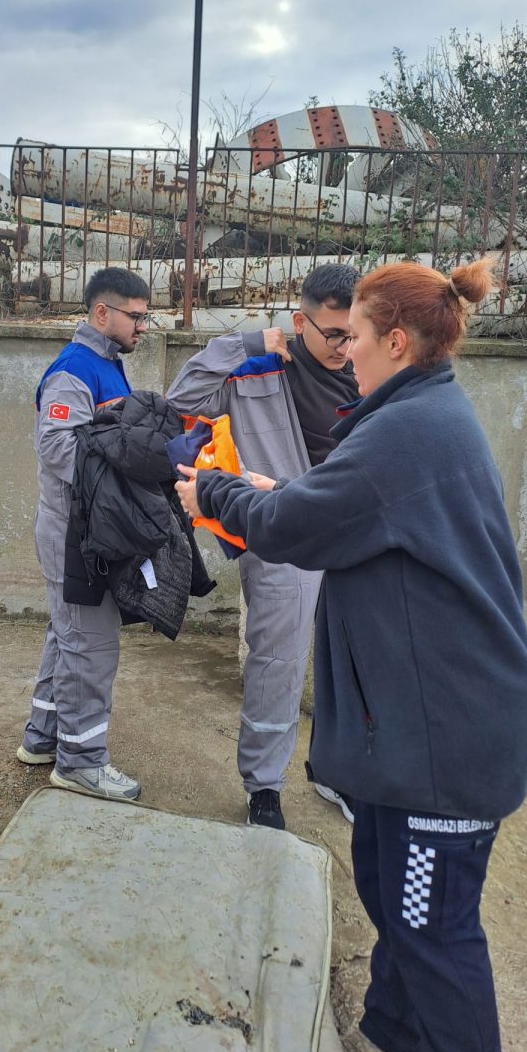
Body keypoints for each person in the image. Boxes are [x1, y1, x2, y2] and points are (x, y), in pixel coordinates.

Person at [175, 258, 527, 1052]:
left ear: (398, 342)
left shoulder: (407, 432)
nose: (345, 352)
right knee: (389, 892)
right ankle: (392, 1035)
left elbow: (293, 529)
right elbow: (333, 508)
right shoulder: (416, 415)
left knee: (432, 933)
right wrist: (275, 493)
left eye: (356, 337)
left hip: (448, 738)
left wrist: (215, 493)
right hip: (419, 727)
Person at [165, 263, 360, 827]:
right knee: (277, 663)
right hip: (282, 537)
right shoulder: (256, 371)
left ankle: (336, 771)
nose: (345, 347)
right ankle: (264, 787)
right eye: (333, 334)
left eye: (354, 334)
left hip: (352, 534)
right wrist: (244, 343)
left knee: (354, 663)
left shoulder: (367, 369)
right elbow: (181, 397)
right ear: (300, 323)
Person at [18, 267, 152, 801]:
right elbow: (58, 448)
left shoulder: (107, 365)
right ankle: (81, 761)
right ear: (102, 313)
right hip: (75, 536)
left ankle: (43, 737)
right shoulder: (74, 371)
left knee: (68, 634)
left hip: (88, 530)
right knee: (90, 645)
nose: (143, 326)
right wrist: (135, 459)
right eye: (136, 316)